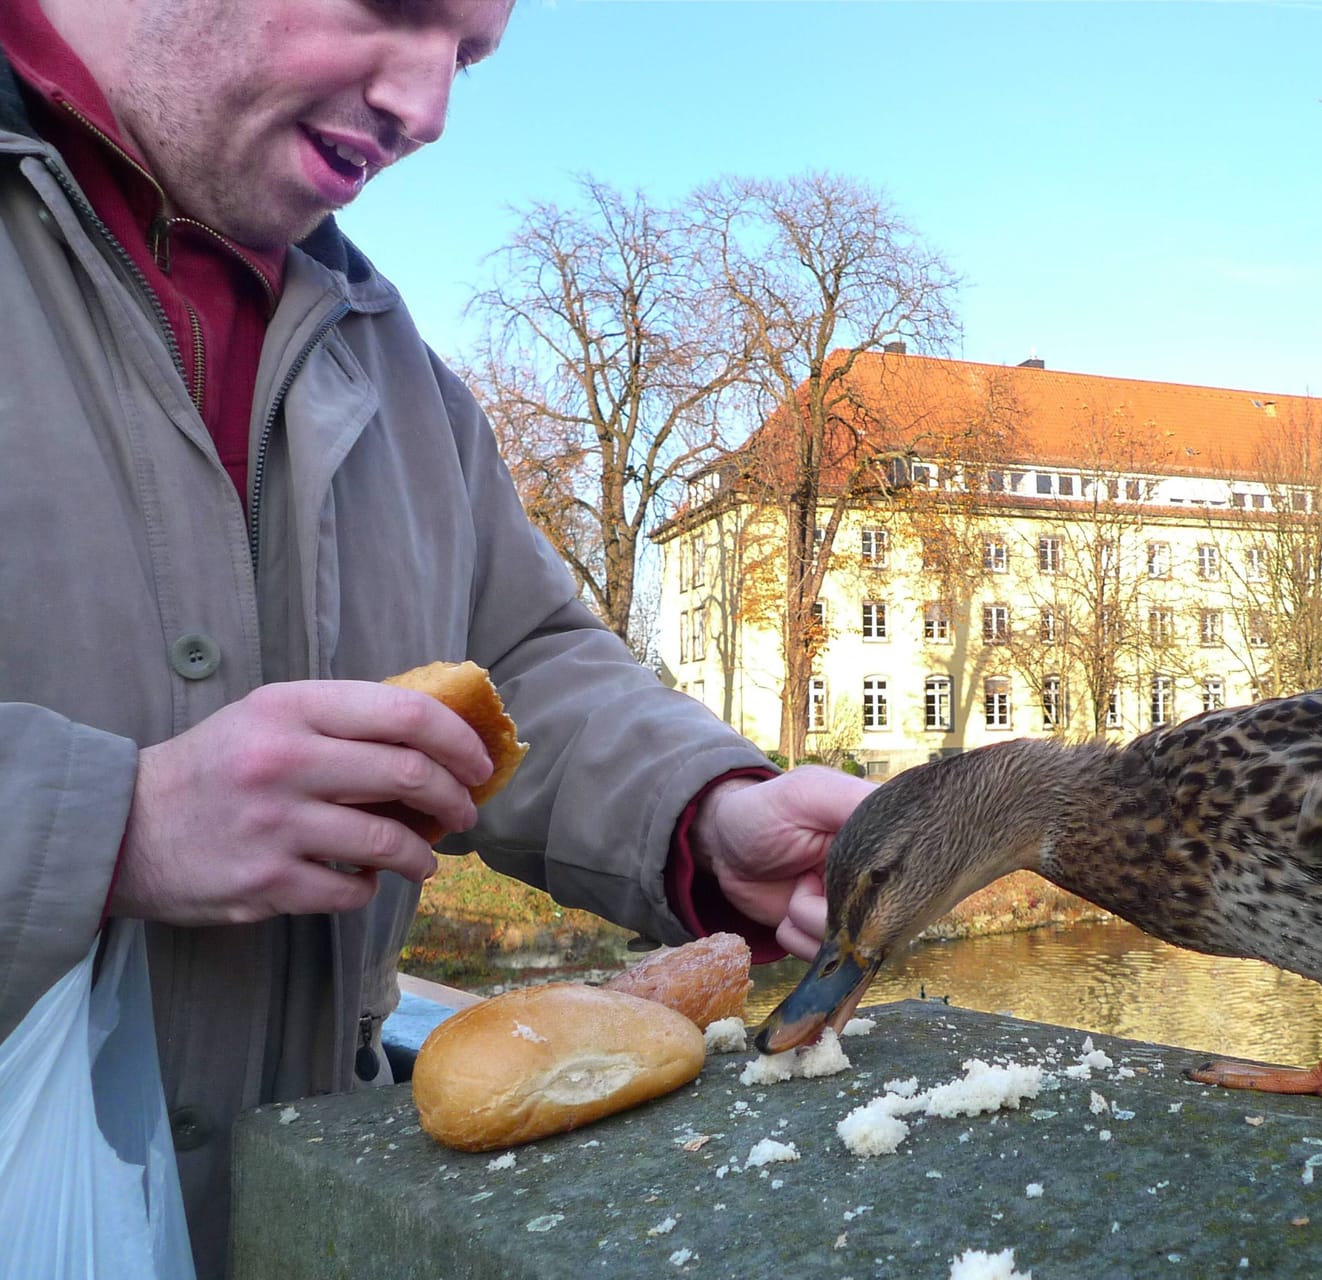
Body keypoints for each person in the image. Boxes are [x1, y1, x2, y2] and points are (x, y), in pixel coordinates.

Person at [0, 1, 872, 1273]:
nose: (429, 109)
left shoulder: (385, 355)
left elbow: (517, 660)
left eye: (465, 53)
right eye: (398, 10)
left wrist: (705, 815)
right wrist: (106, 825)